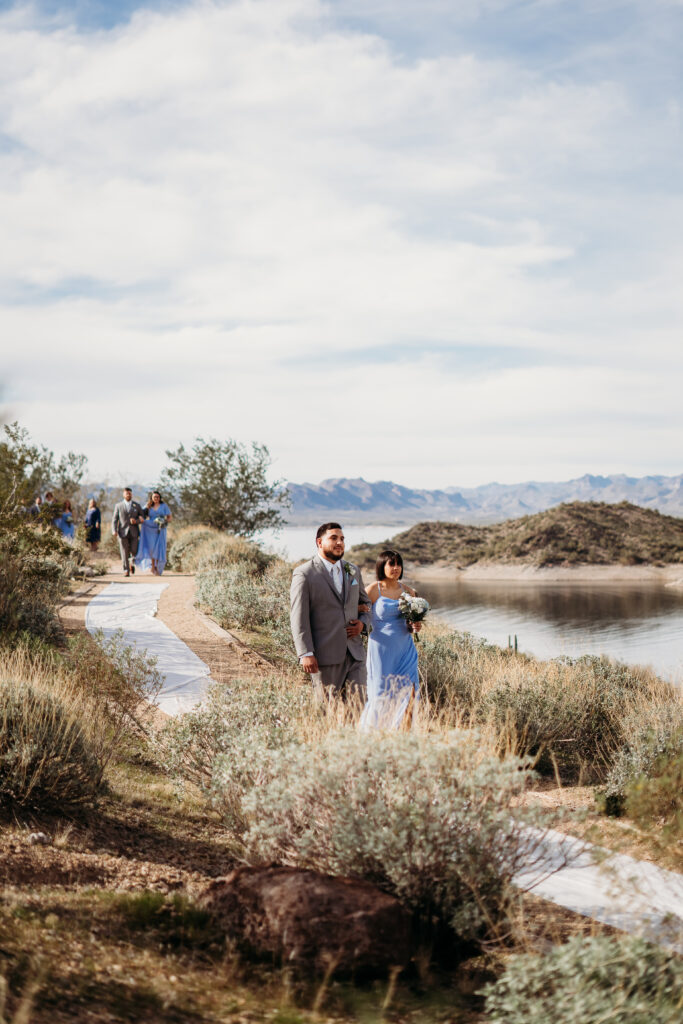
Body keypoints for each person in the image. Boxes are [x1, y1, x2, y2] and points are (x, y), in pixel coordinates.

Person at [290, 522, 372, 707]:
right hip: (324, 657)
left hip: (355, 654)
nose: (339, 543)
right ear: (319, 542)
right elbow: (298, 617)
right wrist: (305, 653)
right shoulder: (305, 574)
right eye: (333, 538)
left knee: (358, 708)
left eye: (342, 539)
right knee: (327, 711)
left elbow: (366, 603)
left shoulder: (353, 570)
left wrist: (363, 624)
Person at [359, 549, 422, 731]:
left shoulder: (409, 591)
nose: (396, 568)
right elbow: (358, 613)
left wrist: (416, 626)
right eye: (391, 564)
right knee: (380, 693)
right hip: (381, 649)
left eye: (398, 564)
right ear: (382, 566)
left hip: (405, 648)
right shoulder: (373, 589)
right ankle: (372, 735)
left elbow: (413, 623)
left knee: (409, 693)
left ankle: (402, 735)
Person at [111, 487, 146, 577]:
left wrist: (136, 521)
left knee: (134, 550)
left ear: (131, 494)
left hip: (134, 532)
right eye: (126, 493)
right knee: (124, 551)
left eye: (129, 493)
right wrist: (114, 530)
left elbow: (142, 518)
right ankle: (126, 570)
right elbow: (114, 519)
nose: (128, 495)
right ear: (123, 495)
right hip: (122, 532)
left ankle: (131, 563)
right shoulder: (118, 506)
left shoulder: (137, 505)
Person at [136, 491, 172, 575]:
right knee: (151, 548)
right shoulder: (148, 506)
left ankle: (158, 567)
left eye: (158, 497)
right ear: (151, 498)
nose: (156, 498)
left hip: (160, 529)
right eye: (154, 497)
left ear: (160, 498)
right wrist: (141, 518)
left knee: (159, 547)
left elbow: (169, 517)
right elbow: (140, 513)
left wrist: (164, 521)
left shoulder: (164, 506)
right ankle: (153, 566)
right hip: (150, 528)